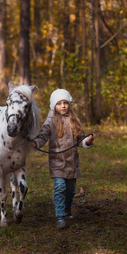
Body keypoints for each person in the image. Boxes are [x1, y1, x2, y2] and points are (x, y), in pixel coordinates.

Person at [29, 89, 94, 229]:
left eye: (65, 103)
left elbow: (80, 140)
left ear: (69, 104)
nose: (63, 106)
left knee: (70, 190)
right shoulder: (50, 120)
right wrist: (35, 143)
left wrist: (87, 142)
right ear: (54, 106)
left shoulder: (74, 120)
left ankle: (67, 209)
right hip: (57, 162)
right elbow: (42, 137)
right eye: (59, 103)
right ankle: (60, 216)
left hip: (72, 162)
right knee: (59, 187)